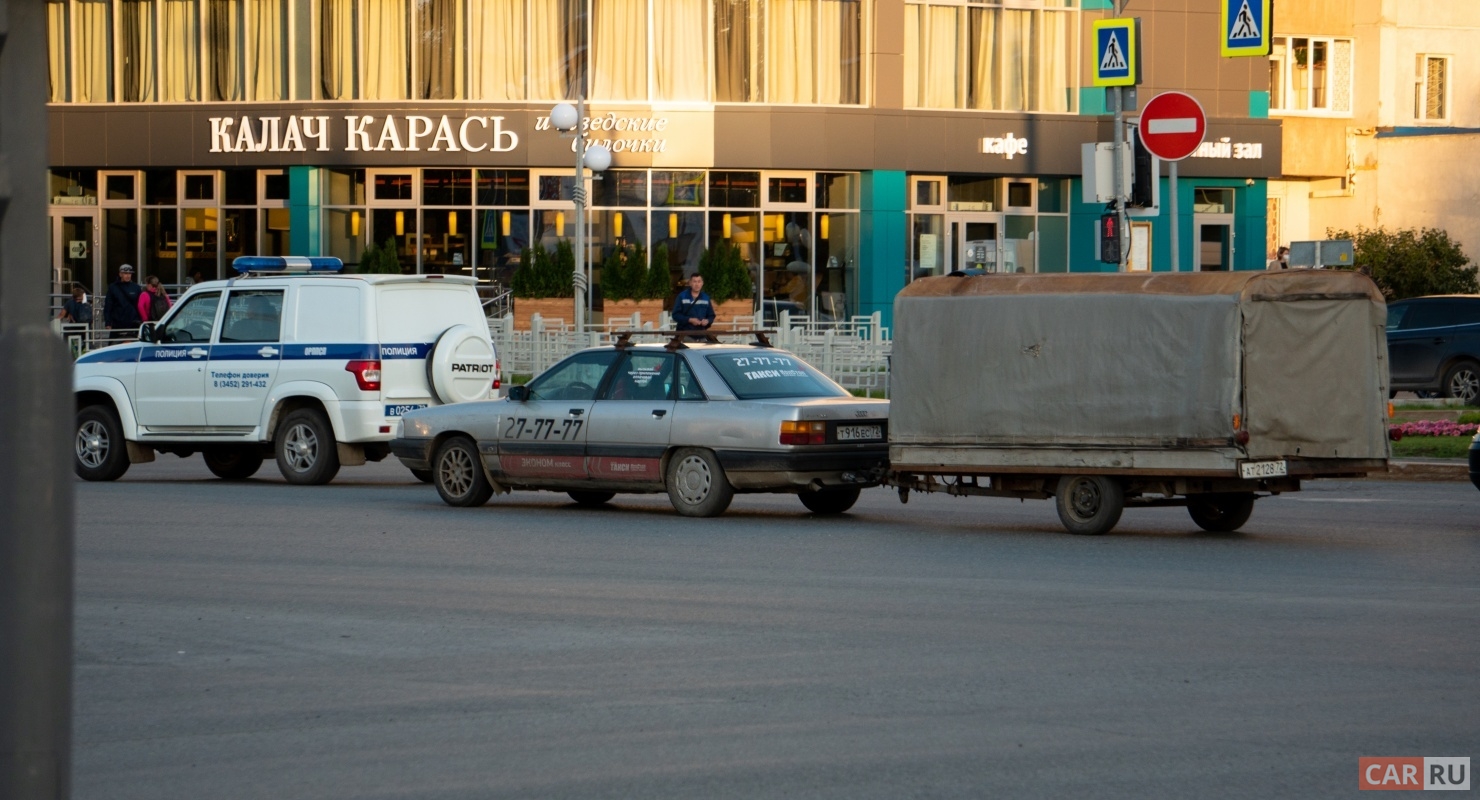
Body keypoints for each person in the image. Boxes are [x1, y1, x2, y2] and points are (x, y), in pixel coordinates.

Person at [103, 264, 143, 331]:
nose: (128, 276)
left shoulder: (136, 288)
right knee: (116, 341)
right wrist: (108, 322)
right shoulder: (113, 287)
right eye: (125, 273)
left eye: (129, 273)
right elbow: (108, 305)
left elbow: (139, 305)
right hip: (118, 321)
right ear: (120, 274)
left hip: (133, 321)